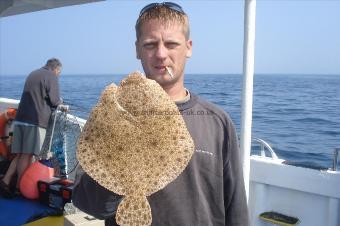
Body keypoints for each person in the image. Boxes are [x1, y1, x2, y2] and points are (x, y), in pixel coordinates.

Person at [73, 2, 249, 226]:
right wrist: (119, 148)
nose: (161, 54)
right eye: (150, 44)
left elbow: (236, 209)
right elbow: (89, 204)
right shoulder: (110, 115)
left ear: (189, 47)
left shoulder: (218, 122)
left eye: (172, 44)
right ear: (137, 49)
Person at [0, 58, 62, 198]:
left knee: (21, 154)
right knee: (27, 155)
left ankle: (5, 181)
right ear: (56, 69)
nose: (58, 75)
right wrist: (60, 102)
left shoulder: (33, 73)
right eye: (59, 73)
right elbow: (55, 100)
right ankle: (19, 188)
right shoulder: (51, 76)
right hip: (34, 120)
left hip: (20, 119)